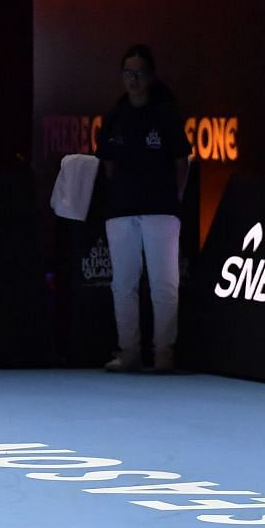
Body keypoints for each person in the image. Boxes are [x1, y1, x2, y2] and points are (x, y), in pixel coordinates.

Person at [98, 44, 190, 374]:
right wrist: (119, 195)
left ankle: (164, 353)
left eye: (138, 73)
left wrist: (173, 200)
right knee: (123, 284)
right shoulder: (114, 117)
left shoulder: (165, 116)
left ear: (150, 76)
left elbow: (182, 162)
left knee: (164, 282)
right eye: (127, 73)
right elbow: (107, 164)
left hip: (160, 209)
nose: (133, 79)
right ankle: (129, 352)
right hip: (121, 209)